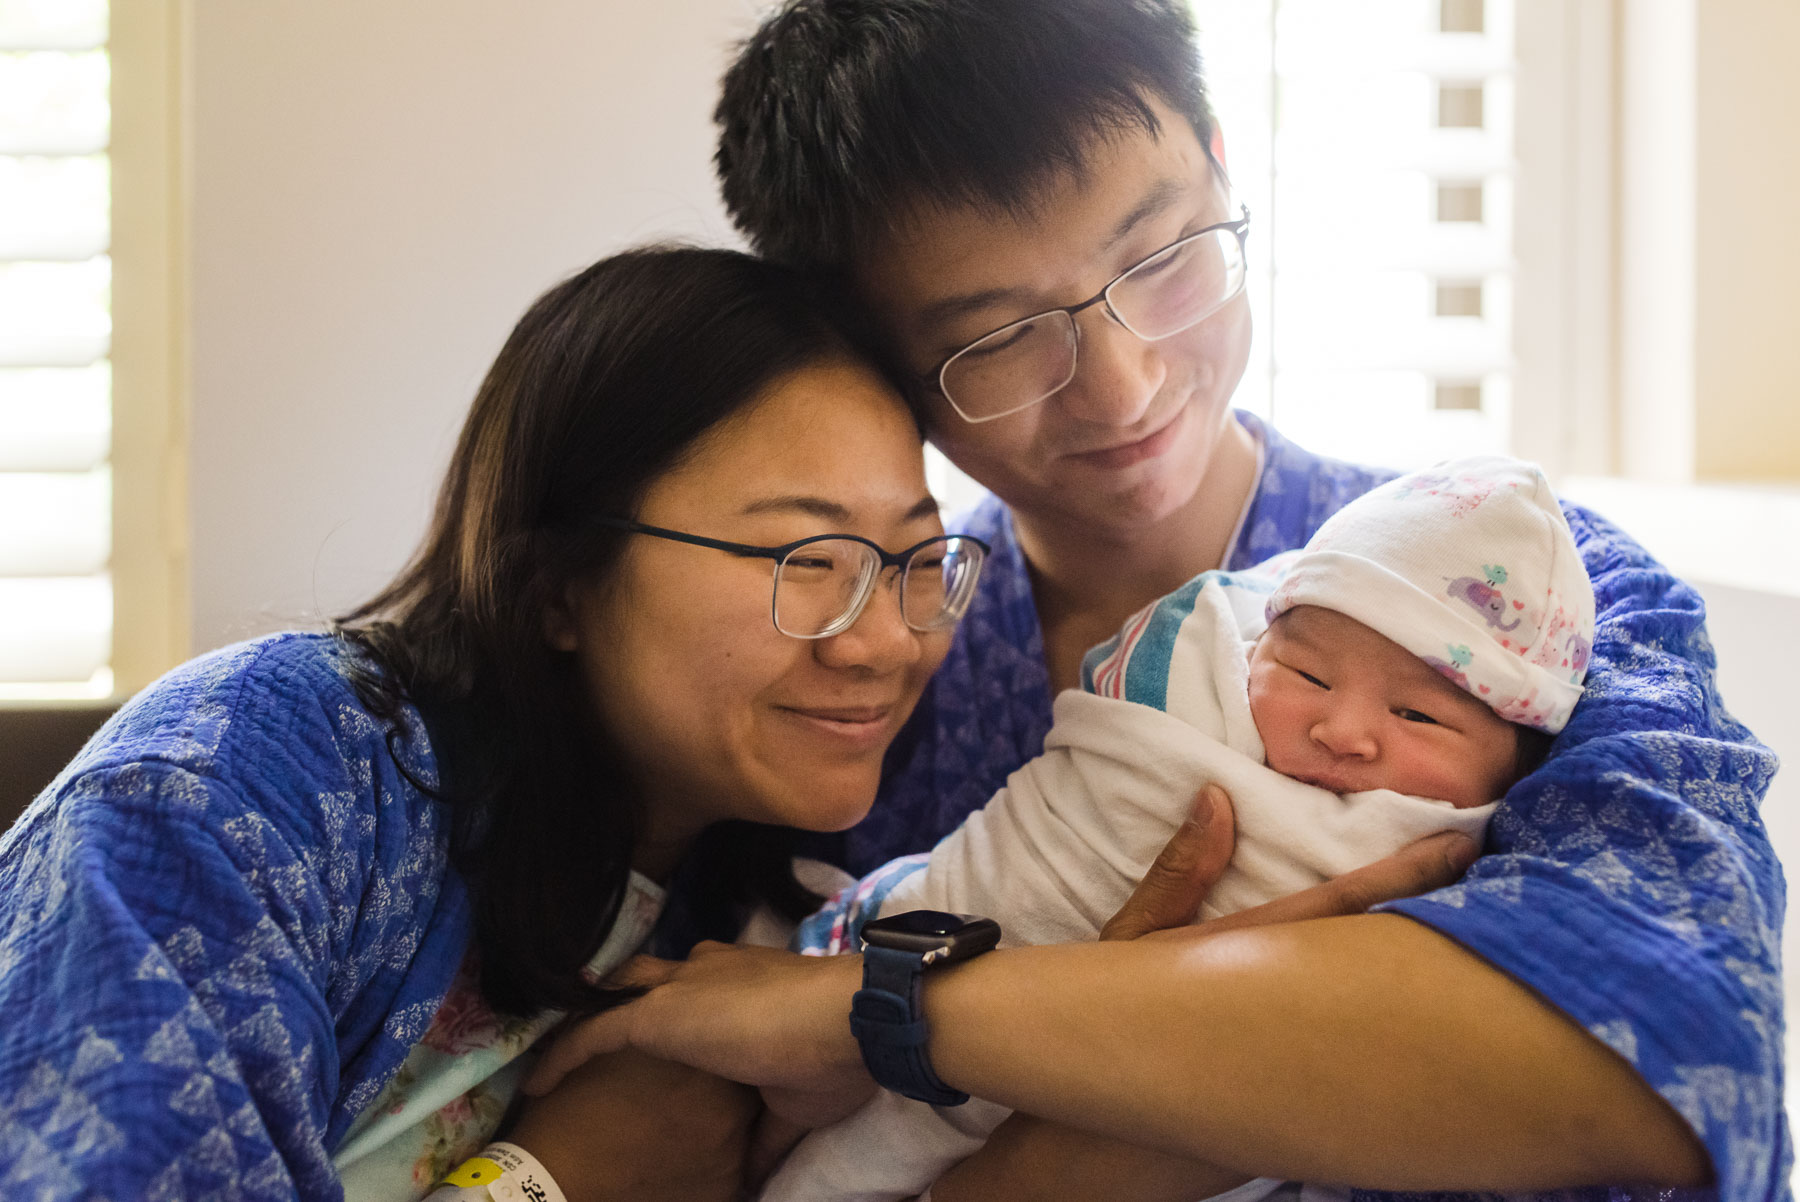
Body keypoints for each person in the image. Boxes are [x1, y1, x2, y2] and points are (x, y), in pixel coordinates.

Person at [530, 1, 1785, 1198]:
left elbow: (1669, 1059)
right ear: (877, 360)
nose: (1123, 386)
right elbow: (684, 1116)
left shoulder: (1531, 590)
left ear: (1225, 168)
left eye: (1164, 256)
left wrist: (897, 1007)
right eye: (999, 335)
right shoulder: (848, 685)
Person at [0, 246, 992, 1202]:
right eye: (805, 558)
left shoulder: (773, 913)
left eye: (916, 557)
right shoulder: (254, 774)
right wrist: (546, 1182)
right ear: (555, 582)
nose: (885, 643)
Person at [759, 455, 1593, 1202]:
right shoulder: (1201, 652)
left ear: (1517, 762)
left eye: (1417, 715)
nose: (1342, 731)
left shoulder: (1520, 847)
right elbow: (1115, 738)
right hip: (934, 954)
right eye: (1306, 674)